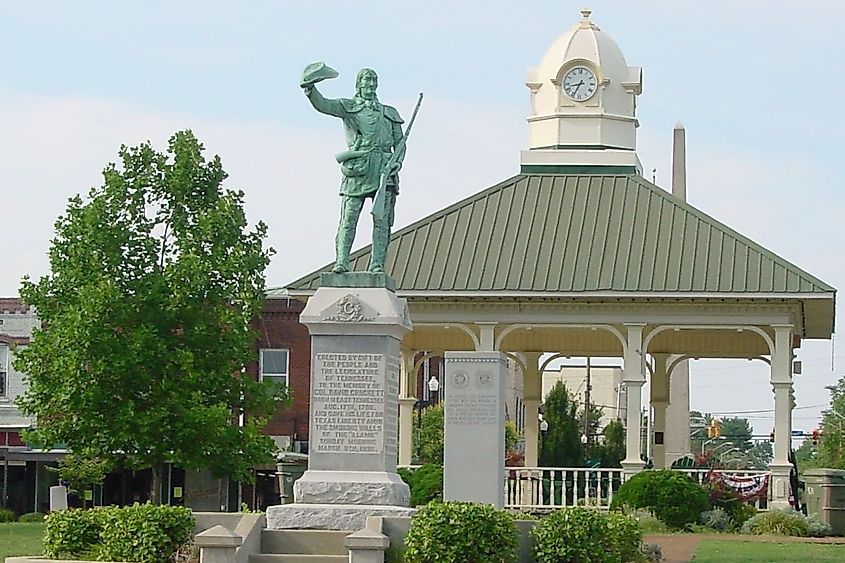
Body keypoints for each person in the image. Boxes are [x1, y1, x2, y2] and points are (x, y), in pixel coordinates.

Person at [301, 67, 404, 274]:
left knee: (382, 222)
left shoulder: (389, 112)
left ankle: (376, 265)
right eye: (367, 81)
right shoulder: (348, 107)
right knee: (349, 218)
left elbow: (400, 143)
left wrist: (397, 163)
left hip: (384, 169)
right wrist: (310, 89)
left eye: (374, 81)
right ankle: (341, 261)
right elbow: (324, 105)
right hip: (358, 167)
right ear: (359, 84)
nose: (371, 85)